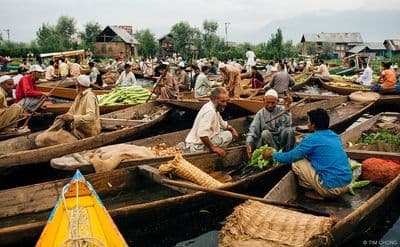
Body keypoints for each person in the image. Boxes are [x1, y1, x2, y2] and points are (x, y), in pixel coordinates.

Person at [262, 108, 352, 199]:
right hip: (347, 184)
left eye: (308, 122)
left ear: (313, 125)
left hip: (331, 189)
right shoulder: (334, 135)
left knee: (297, 162)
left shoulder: (311, 139)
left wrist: (272, 154)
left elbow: (290, 157)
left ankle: (312, 190)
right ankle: (319, 187)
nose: (307, 124)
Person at [35, 75, 101, 147]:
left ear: (79, 85)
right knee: (55, 126)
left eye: (76, 83)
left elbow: (91, 117)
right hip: (76, 129)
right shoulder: (79, 96)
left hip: (86, 133)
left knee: (43, 139)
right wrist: (66, 116)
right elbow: (71, 112)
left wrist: (73, 118)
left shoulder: (89, 96)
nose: (75, 84)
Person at [179, 87, 239, 156]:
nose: (225, 104)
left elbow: (222, 123)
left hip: (195, 143)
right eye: (222, 101)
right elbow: (202, 134)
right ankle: (211, 152)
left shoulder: (213, 107)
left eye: (226, 101)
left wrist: (232, 128)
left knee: (223, 130)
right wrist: (213, 148)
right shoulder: (210, 111)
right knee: (228, 135)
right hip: (197, 147)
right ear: (214, 100)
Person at [246, 89, 295, 158]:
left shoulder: (281, 109)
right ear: (264, 101)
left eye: (273, 103)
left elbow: (288, 124)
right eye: (268, 102)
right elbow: (253, 130)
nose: (270, 105)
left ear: (277, 101)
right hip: (268, 143)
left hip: (281, 140)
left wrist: (287, 107)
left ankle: (287, 155)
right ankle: (275, 155)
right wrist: (249, 143)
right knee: (265, 133)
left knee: (288, 130)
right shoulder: (260, 114)